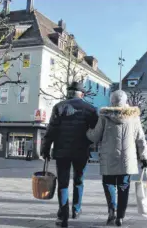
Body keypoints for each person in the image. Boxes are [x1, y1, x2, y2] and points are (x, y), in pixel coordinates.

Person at [86, 90, 147, 227]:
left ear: (111, 101)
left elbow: (95, 137)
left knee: (108, 183)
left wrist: (87, 131)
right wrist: (144, 157)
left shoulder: (104, 116)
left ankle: (111, 211)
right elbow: (141, 139)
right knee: (123, 186)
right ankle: (120, 216)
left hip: (108, 157)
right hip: (127, 158)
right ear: (126, 101)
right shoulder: (134, 116)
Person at [41, 82, 98, 228]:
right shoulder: (91, 109)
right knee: (79, 180)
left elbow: (51, 130)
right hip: (81, 151)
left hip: (62, 151)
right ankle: (76, 209)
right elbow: (95, 133)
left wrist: (45, 149)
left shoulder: (59, 107)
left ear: (68, 93)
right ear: (82, 94)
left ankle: (63, 214)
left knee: (63, 183)